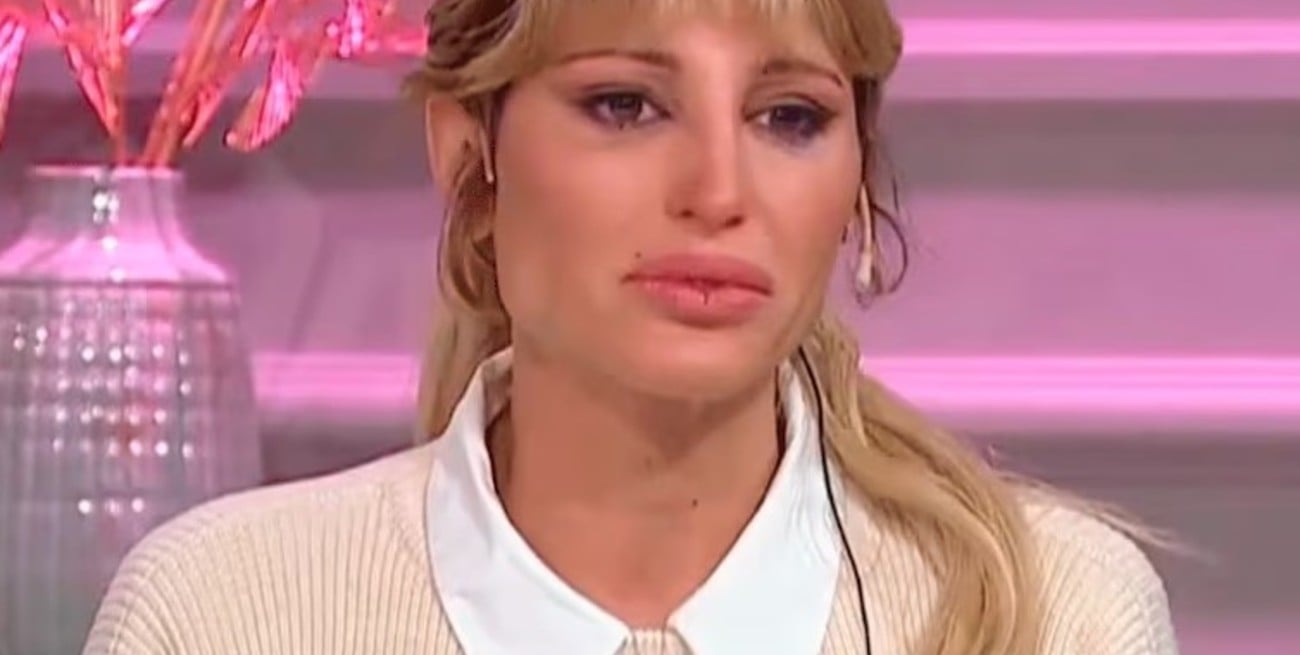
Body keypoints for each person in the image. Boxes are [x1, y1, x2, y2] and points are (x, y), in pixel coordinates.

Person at [84, 0, 1179, 653]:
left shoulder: (1060, 616)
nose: (718, 191)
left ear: (855, 182)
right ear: (469, 152)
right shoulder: (226, 612)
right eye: (625, 105)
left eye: (788, 116)